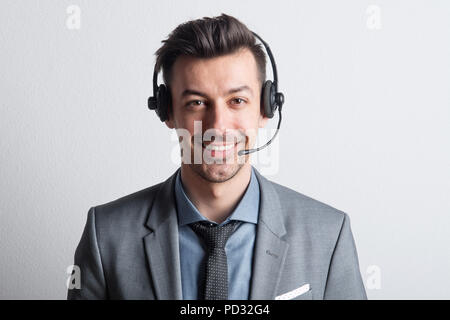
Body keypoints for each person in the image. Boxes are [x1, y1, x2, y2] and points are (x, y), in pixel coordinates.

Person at [67, 13, 367, 300]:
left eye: (237, 100)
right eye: (196, 102)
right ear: (167, 111)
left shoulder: (329, 234)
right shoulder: (104, 234)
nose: (217, 126)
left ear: (266, 108)